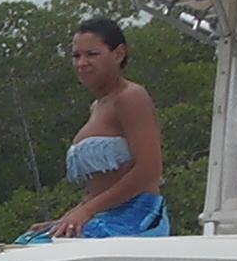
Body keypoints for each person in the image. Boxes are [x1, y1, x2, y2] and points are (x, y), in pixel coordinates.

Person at [23, 16, 170, 241]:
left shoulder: (131, 97)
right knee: (29, 241)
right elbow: (99, 185)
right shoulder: (97, 106)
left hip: (135, 216)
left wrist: (87, 211)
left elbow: (150, 169)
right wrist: (69, 216)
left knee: (44, 248)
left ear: (119, 54)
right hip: (101, 213)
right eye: (76, 56)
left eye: (92, 54)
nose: (82, 63)